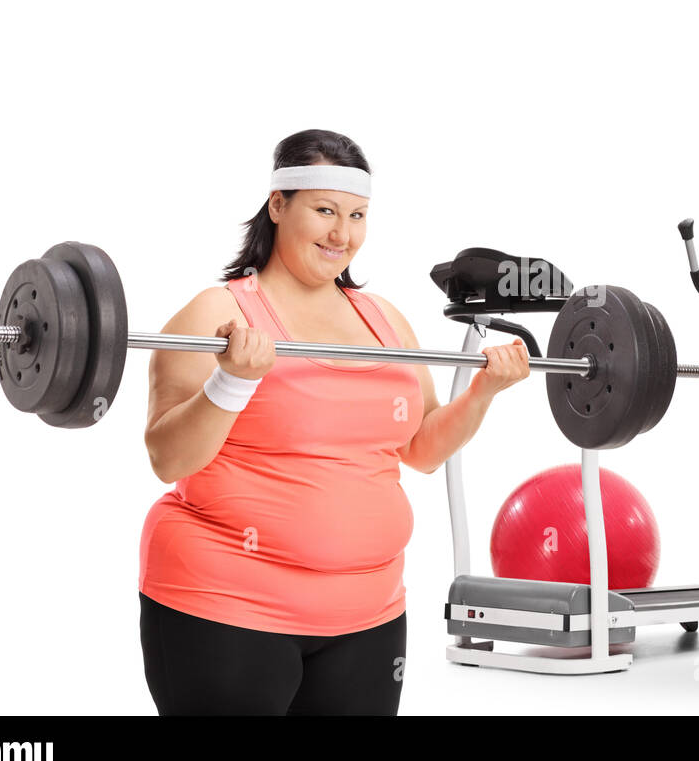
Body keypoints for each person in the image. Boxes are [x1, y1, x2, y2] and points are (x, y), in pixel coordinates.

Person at [137, 128, 529, 715]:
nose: (342, 234)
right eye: (324, 210)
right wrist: (233, 380)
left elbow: (420, 449)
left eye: (357, 215)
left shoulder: (385, 321)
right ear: (277, 205)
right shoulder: (216, 314)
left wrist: (483, 390)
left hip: (367, 617)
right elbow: (168, 457)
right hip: (226, 604)